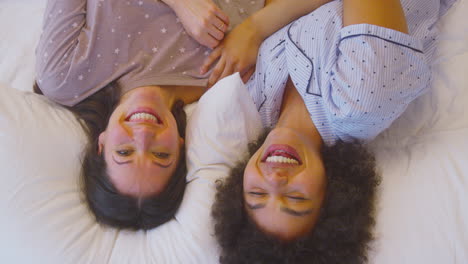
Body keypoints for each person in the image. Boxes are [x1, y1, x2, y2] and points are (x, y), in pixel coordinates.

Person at [34, 0, 331, 230]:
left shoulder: (65, 76)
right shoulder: (229, 74)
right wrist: (255, 28)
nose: (144, 135)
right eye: (161, 155)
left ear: (101, 144)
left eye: (124, 151)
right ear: (179, 144)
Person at [211, 0, 456, 262]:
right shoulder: (359, 103)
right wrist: (256, 27)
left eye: (257, 193)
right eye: (295, 197)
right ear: (332, 192)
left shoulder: (255, 101)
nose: (275, 178)